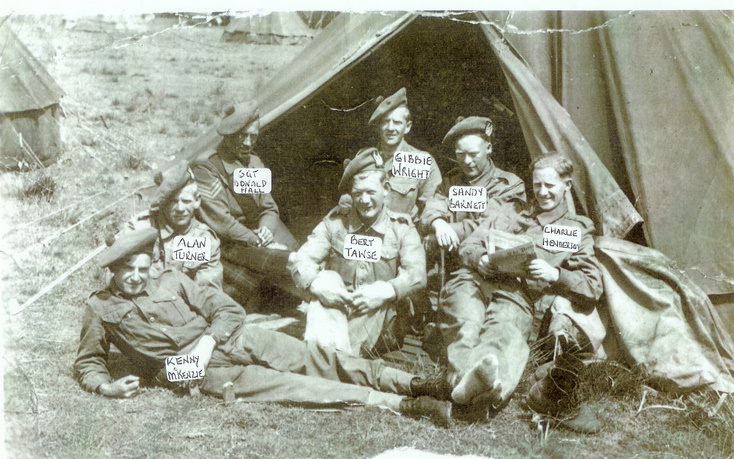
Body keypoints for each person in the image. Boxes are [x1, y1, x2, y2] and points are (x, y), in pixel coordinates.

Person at [74, 228, 452, 426]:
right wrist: (106, 386)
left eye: (143, 268)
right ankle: (406, 404)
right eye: (129, 272)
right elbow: (88, 360)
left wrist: (208, 340)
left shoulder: (172, 278)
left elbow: (227, 309)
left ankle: (417, 383)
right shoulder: (99, 307)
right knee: (292, 387)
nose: (138, 278)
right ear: (113, 271)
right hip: (185, 369)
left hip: (229, 336)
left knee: (315, 356)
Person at [437, 152, 603, 418]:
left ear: (566, 186)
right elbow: (469, 245)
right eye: (537, 184)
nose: (543, 192)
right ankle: (472, 384)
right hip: (475, 280)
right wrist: (480, 259)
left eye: (550, 185)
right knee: (465, 322)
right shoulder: (510, 210)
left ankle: (479, 385)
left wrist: (556, 274)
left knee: (504, 332)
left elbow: (593, 286)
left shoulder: (576, 230)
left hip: (517, 295)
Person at [289, 148, 427, 357]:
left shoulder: (402, 228)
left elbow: (417, 274)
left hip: (381, 319)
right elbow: (302, 259)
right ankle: (333, 361)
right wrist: (318, 284)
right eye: (357, 193)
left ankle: (327, 359)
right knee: (326, 278)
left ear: (386, 189)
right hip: (336, 311)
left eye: (371, 192)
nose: (364, 200)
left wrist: (386, 290)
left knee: (376, 293)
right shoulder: (335, 223)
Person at [189, 101, 299, 304]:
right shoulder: (207, 167)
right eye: (242, 135)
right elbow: (222, 222)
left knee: (299, 261)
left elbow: (269, 207)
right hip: (229, 241)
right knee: (273, 276)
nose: (248, 143)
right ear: (229, 134)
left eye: (253, 136)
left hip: (256, 233)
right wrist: (256, 240)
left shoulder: (254, 163)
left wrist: (266, 229)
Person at [421, 116, 526, 253]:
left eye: (473, 154)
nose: (467, 161)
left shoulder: (508, 186)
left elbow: (487, 226)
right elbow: (432, 208)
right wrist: (438, 223)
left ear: (488, 148)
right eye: (461, 154)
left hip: (485, 260)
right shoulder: (450, 182)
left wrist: (446, 231)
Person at [337, 87, 442, 222]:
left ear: (408, 127)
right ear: (378, 126)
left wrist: (435, 223)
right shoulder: (363, 158)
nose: (391, 128)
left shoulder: (421, 161)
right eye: (385, 122)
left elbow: (432, 205)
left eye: (397, 122)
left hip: (402, 237)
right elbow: (349, 199)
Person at [128, 162, 223, 289]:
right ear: (163, 203)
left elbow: (207, 294)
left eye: (186, 201)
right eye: (173, 201)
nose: (180, 208)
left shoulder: (204, 239)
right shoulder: (141, 228)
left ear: (197, 201)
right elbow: (121, 278)